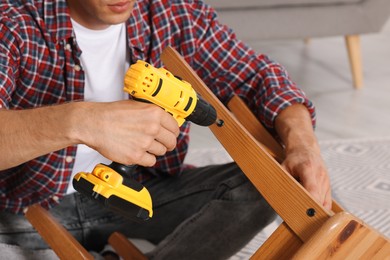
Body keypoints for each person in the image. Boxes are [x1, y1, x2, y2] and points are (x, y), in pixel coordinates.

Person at [0, 0, 332, 259]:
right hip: (21, 208)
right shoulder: (13, 20)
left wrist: (303, 145)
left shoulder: (172, 12)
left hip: (140, 195)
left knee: (272, 183)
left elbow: (261, 78)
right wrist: (82, 120)